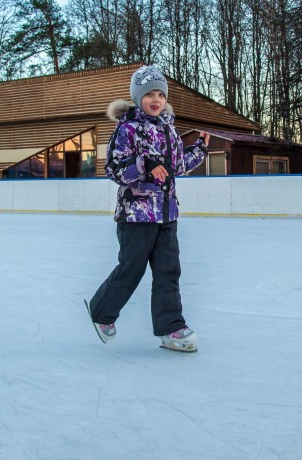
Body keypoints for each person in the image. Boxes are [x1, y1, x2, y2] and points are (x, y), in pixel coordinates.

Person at [85, 65, 210, 353]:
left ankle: (171, 329)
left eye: (160, 94)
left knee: (169, 271)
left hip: (167, 213)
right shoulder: (127, 128)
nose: (155, 100)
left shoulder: (168, 129)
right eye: (149, 94)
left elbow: (177, 166)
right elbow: (115, 170)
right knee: (132, 268)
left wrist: (199, 151)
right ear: (137, 96)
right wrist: (144, 165)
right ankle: (101, 313)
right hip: (136, 215)